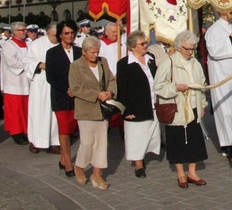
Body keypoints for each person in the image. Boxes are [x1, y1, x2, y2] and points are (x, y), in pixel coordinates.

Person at [153, 30, 208, 188]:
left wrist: (202, 104)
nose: (191, 52)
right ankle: (180, 174)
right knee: (177, 140)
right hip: (176, 108)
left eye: (193, 49)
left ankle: (192, 172)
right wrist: (175, 88)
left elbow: (201, 85)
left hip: (194, 106)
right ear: (178, 48)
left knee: (194, 140)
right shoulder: (168, 62)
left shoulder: (195, 63)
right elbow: (158, 87)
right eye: (188, 49)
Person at [69, 36, 117, 190]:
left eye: (97, 52)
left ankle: (97, 173)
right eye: (92, 53)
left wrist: (110, 92)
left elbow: (111, 80)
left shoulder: (103, 62)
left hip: (102, 110)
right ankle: (80, 166)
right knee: (87, 142)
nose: (96, 55)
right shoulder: (76, 66)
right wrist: (96, 94)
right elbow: (75, 88)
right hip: (85, 110)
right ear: (84, 52)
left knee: (102, 143)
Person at [204, 11, 232, 165]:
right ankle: (229, 146)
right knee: (226, 111)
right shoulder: (213, 30)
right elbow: (214, 51)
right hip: (223, 78)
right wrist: (230, 39)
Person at [116, 30, 160, 178]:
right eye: (142, 43)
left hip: (152, 101)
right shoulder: (124, 64)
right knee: (136, 135)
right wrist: (126, 110)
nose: (145, 45)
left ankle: (146, 154)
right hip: (136, 104)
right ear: (133, 47)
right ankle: (138, 164)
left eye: (145, 42)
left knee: (150, 133)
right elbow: (122, 88)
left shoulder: (150, 58)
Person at [45, 20, 82, 177]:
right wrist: (67, 89)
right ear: (60, 35)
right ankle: (67, 161)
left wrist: (77, 89)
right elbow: (51, 77)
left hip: (79, 97)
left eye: (72, 33)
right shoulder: (52, 53)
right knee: (64, 129)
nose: (70, 36)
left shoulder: (80, 51)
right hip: (61, 96)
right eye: (66, 33)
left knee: (74, 128)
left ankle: (62, 158)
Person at [24, 22, 60, 154]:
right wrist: (39, 65)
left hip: (56, 83)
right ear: (47, 32)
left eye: (57, 35)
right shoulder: (36, 44)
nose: (54, 38)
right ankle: (35, 141)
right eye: (52, 35)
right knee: (39, 112)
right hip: (40, 82)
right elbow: (26, 61)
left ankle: (55, 142)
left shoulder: (61, 45)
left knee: (54, 113)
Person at [1, 22, 31, 145]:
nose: (25, 32)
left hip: (28, 81)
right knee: (15, 110)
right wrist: (30, 64)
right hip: (14, 82)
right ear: (14, 32)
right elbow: (12, 63)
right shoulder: (8, 45)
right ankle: (16, 132)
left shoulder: (29, 44)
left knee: (26, 109)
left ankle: (26, 131)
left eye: (25, 30)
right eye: (21, 30)